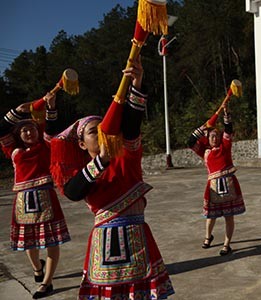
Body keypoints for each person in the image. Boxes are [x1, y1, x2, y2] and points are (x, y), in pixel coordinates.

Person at [50, 56, 174, 299]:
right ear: (82, 144)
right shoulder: (85, 172)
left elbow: (131, 124)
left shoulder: (126, 156)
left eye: (103, 129)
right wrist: (101, 161)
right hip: (105, 241)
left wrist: (136, 84)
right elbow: (73, 192)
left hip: (137, 237)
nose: (101, 134)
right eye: (92, 132)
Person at [0, 93, 70, 298]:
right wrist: (17, 112)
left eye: (31, 128)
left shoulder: (46, 145)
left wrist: (51, 108)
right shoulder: (12, 150)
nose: (28, 132)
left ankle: (47, 283)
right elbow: (0, 129)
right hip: (22, 199)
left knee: (51, 242)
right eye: (23, 130)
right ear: (18, 135)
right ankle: (38, 269)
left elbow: (52, 128)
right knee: (29, 243)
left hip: (46, 196)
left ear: (37, 131)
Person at [188, 108, 245, 256]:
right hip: (213, 186)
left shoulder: (225, 147)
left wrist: (226, 116)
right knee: (211, 215)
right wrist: (204, 126)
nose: (215, 138)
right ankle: (208, 236)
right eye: (212, 136)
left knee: (229, 216)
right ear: (207, 138)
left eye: (217, 136)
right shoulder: (204, 151)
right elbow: (190, 141)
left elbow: (228, 130)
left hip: (229, 184)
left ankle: (227, 244)